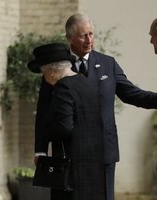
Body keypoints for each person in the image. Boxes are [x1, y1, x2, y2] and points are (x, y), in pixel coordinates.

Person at [33, 13, 157, 200]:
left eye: (91, 34)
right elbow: (43, 111)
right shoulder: (56, 67)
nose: (89, 40)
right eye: (83, 35)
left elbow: (132, 94)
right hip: (69, 153)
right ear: (69, 38)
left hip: (104, 151)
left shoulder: (108, 64)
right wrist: (40, 149)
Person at [28, 42, 106, 200]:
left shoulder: (63, 87)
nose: (46, 78)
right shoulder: (88, 83)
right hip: (94, 162)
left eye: (44, 73)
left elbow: (65, 127)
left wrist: (48, 134)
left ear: (51, 70)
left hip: (71, 165)